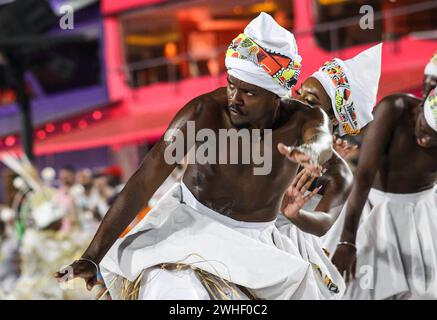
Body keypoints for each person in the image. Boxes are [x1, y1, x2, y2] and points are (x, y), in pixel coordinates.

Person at [56, 13, 344, 300]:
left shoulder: (304, 118)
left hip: (255, 240)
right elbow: (143, 182)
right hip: (189, 226)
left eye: (249, 92)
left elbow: (319, 139)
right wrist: (93, 256)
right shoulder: (202, 112)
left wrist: (309, 153)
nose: (235, 98)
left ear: (276, 96)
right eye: (232, 84)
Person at [331, 87, 437, 299]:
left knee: (422, 291)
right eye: (424, 129)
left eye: (435, 139)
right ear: (420, 106)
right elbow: (364, 177)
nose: (425, 141)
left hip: (421, 213)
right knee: (355, 288)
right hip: (372, 208)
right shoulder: (393, 109)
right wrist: (347, 241)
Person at [277, 44, 382, 244]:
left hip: (291, 245)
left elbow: (324, 222)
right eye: (299, 93)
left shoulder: (338, 173)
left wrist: (294, 214)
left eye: (311, 101)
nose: (298, 102)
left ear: (333, 120)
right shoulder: (274, 128)